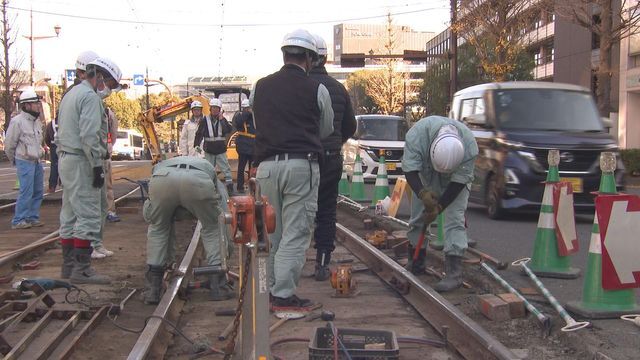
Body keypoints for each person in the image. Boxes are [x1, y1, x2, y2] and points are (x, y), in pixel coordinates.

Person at [251, 29, 334, 311]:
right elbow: (326, 129)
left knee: (271, 233)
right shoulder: (317, 89)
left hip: (266, 169)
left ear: (284, 54)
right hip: (301, 166)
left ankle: (269, 291)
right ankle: (283, 295)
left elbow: (258, 122)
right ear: (310, 59)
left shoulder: (259, 86)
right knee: (296, 233)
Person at [56, 57, 123, 284]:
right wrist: (97, 166)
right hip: (82, 160)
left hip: (67, 159)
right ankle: (82, 270)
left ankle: (68, 267)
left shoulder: (70, 95)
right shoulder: (89, 98)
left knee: (69, 214)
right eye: (110, 84)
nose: (108, 89)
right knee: (88, 214)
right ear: (100, 77)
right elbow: (89, 136)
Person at [402, 115, 478, 292]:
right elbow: (410, 169)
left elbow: (459, 182)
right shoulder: (417, 135)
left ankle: (454, 273)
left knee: (455, 220)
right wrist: (422, 193)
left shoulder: (469, 146)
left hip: (455, 182)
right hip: (426, 177)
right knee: (418, 218)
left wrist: (439, 207)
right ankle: (416, 261)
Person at [142, 156, 232, 304]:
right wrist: (228, 252)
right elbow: (223, 216)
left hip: (162, 180)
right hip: (198, 181)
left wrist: (164, 217)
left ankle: (153, 289)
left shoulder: (162, 165)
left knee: (159, 227)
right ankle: (218, 286)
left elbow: (149, 214)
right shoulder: (209, 170)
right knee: (213, 226)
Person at [309, 34, 357, 281]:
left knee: (297, 212)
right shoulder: (339, 89)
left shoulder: (300, 86)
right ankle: (322, 264)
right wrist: (336, 142)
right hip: (331, 157)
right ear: (325, 58)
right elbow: (350, 125)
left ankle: (288, 266)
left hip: (303, 158)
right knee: (326, 211)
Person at [5, 89, 45, 230]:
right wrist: (15, 160)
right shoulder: (17, 122)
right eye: (35, 103)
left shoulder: (36, 122)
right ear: (26, 105)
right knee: (26, 191)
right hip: (25, 160)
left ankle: (32, 217)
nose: (37, 106)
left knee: (38, 190)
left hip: (36, 161)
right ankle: (19, 219)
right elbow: (9, 144)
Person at [194, 98, 234, 194]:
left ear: (220, 109)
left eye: (217, 108)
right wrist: (196, 146)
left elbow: (228, 130)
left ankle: (230, 189)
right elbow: (199, 134)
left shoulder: (223, 120)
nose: (215, 110)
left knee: (226, 170)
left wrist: (222, 120)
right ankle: (210, 189)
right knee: (208, 170)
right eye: (213, 108)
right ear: (210, 109)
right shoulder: (205, 120)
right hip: (209, 150)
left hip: (220, 150)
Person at [232, 99, 255, 193]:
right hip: (243, 146)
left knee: (252, 168)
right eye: (248, 108)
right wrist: (247, 113)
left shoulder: (254, 117)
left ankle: (252, 186)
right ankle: (240, 186)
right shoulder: (239, 116)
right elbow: (238, 123)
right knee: (241, 167)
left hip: (253, 146)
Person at [104, 107, 120, 223]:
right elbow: (114, 132)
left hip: (99, 153)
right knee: (107, 185)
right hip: (104, 152)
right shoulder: (108, 112)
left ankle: (108, 210)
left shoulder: (107, 113)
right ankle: (109, 211)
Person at [44, 119, 59, 194]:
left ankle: (52, 187)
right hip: (65, 146)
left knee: (54, 166)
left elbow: (47, 138)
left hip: (53, 146)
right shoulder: (66, 121)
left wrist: (51, 146)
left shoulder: (50, 124)